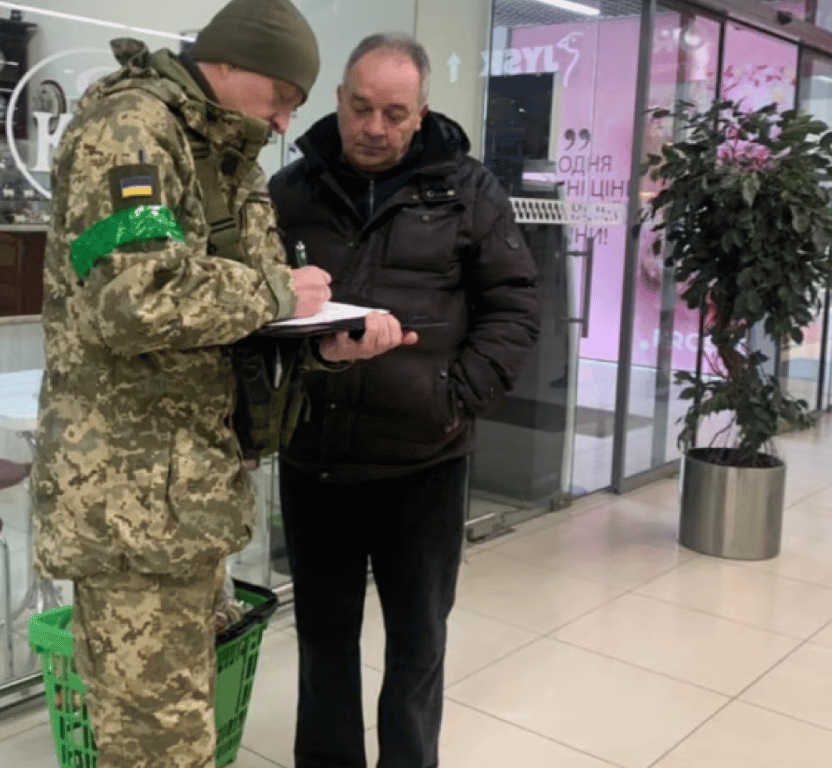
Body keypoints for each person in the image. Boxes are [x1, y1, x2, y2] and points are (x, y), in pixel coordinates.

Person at [29, 4, 416, 767]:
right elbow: (132, 298)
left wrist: (320, 345)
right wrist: (277, 293)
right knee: (157, 749)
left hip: (189, 495)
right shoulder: (130, 130)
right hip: (129, 505)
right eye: (280, 97)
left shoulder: (225, 153)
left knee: (183, 733)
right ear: (232, 63)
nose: (282, 122)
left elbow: (233, 320)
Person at [269, 33, 541, 768]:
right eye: (361, 108)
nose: (374, 128)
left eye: (394, 113)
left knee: (418, 645)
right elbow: (258, 314)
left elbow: (515, 307)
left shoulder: (469, 191)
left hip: (426, 460)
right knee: (324, 643)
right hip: (316, 458)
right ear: (339, 100)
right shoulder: (289, 191)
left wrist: (453, 399)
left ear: (421, 112)